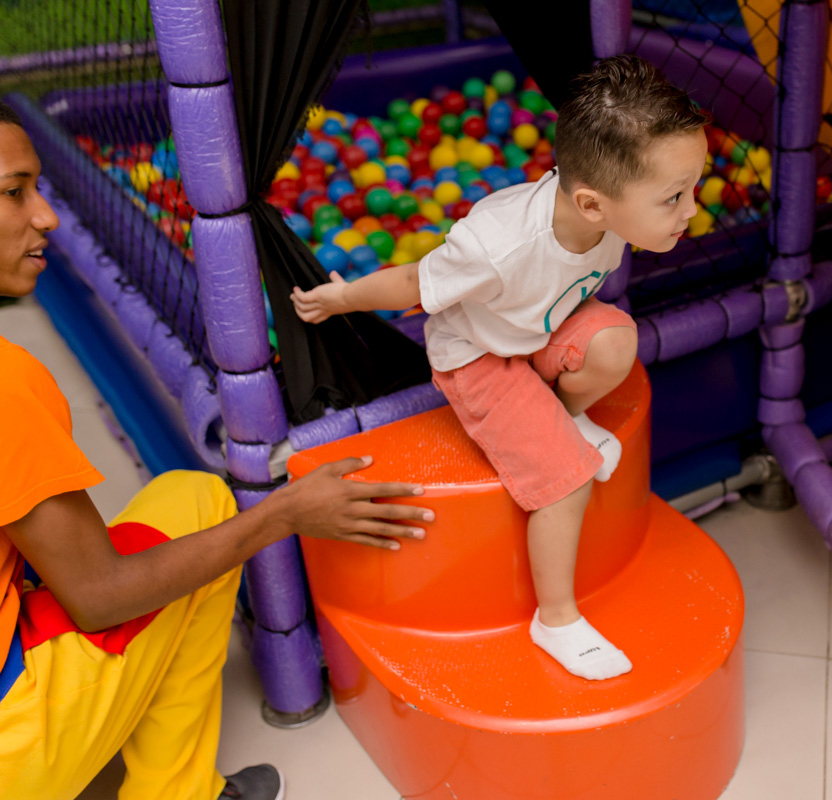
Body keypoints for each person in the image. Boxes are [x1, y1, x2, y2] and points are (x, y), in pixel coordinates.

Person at [0, 100, 434, 800]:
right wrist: (283, 514)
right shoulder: (7, 382)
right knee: (201, 503)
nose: (46, 216)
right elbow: (99, 598)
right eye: (14, 192)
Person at [291, 55, 709, 682]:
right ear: (593, 205)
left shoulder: (616, 214)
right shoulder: (496, 245)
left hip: (538, 325)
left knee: (616, 343)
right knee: (569, 479)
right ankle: (557, 619)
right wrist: (340, 297)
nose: (691, 211)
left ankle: (565, 416)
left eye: (693, 188)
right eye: (675, 197)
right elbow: (414, 278)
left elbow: (581, 300)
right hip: (479, 356)